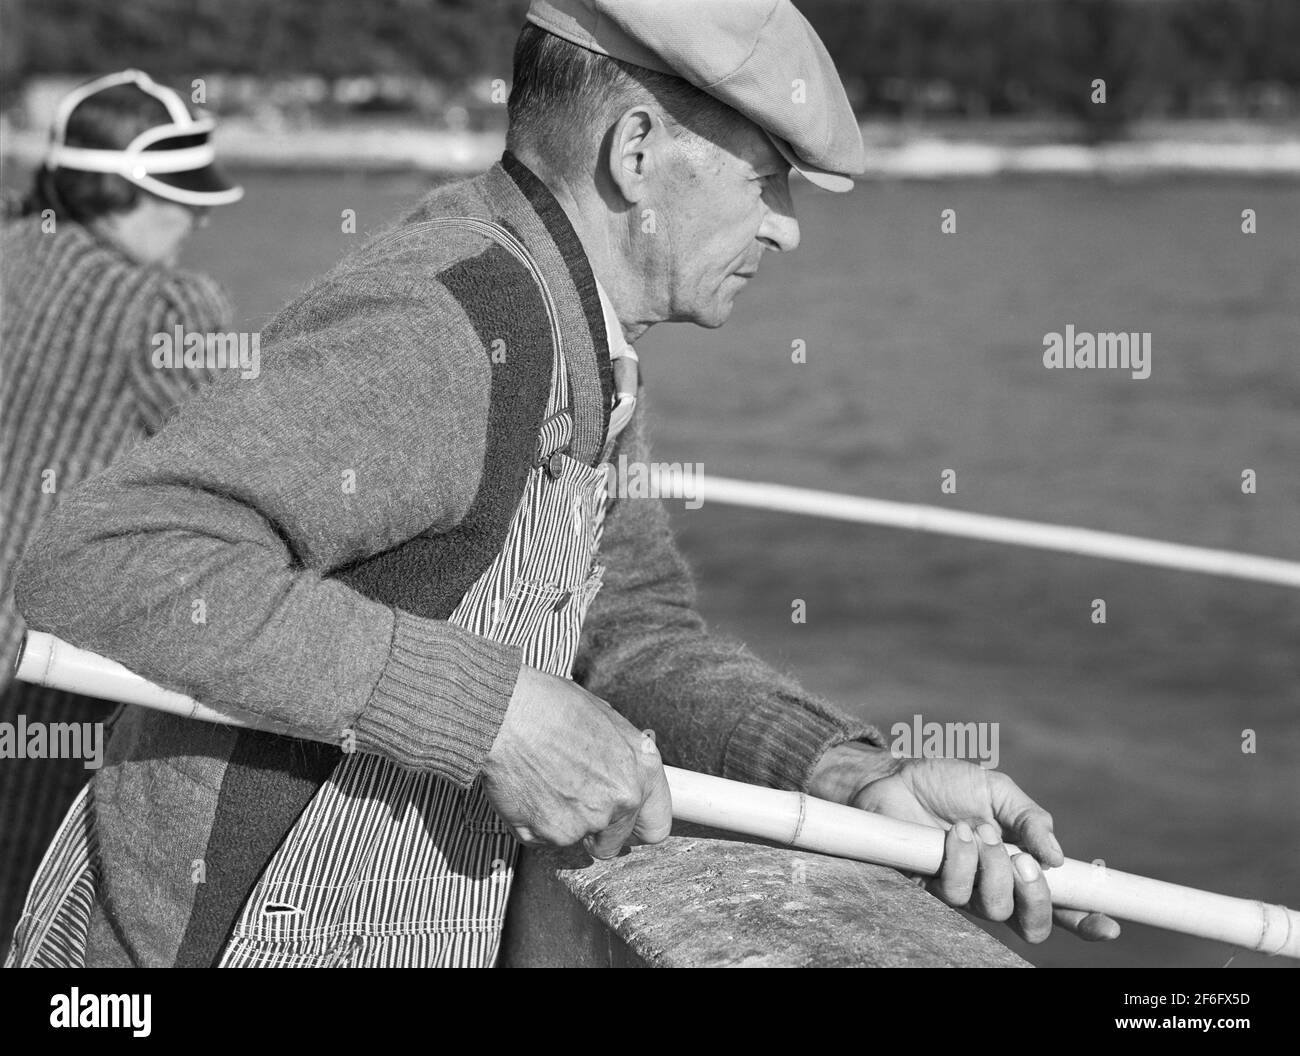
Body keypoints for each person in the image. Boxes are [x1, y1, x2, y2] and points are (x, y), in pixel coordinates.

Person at [7, 2, 1118, 968]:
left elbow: (629, 634)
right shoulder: (448, 324)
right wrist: (493, 716)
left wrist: (848, 772)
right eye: (766, 180)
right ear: (636, 151)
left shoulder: (584, 339)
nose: (783, 227)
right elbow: (105, 553)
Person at [0, 69, 242, 952]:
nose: (200, 218)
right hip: (41, 675)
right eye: (181, 197)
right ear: (119, 189)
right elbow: (247, 481)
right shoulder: (164, 309)